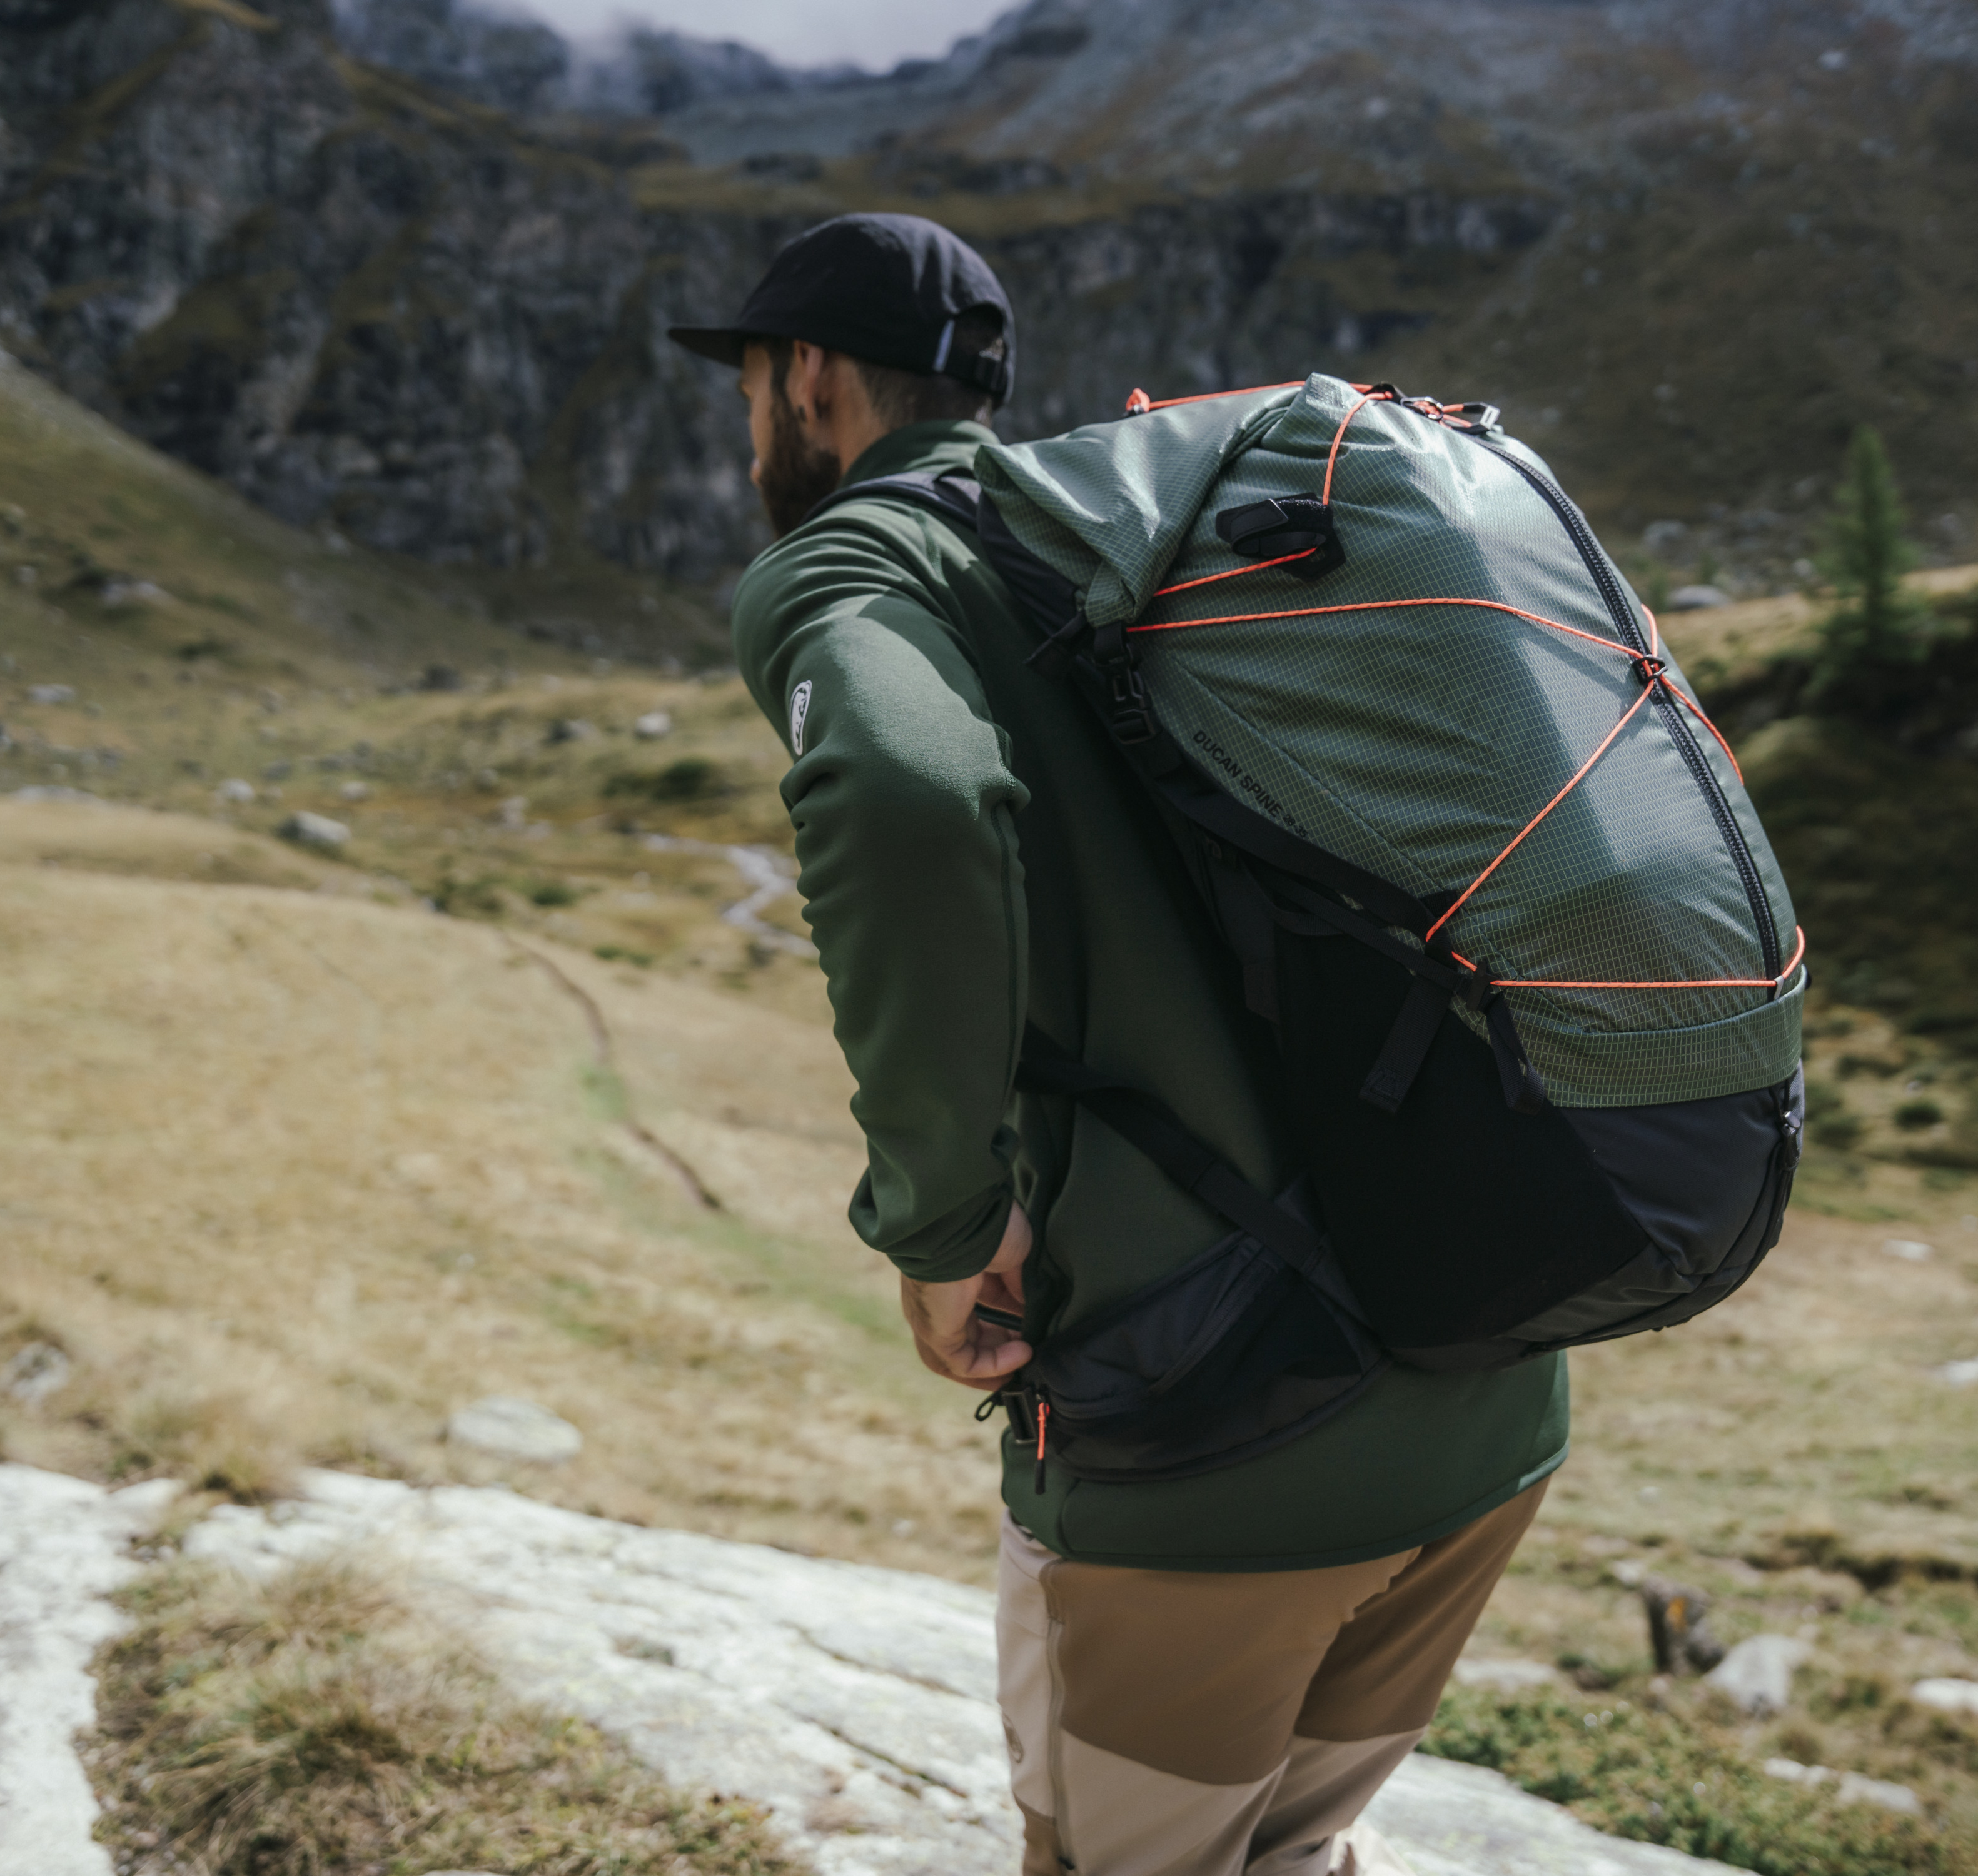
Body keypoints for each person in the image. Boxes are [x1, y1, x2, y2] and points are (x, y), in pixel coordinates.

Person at [670, 213, 1568, 1876]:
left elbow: (901, 788)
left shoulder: (849, 567)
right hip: (1486, 1371)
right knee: (1287, 1858)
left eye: (747, 386)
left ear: (801, 381)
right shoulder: (1132, 534)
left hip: (1216, 1441)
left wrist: (941, 1231)